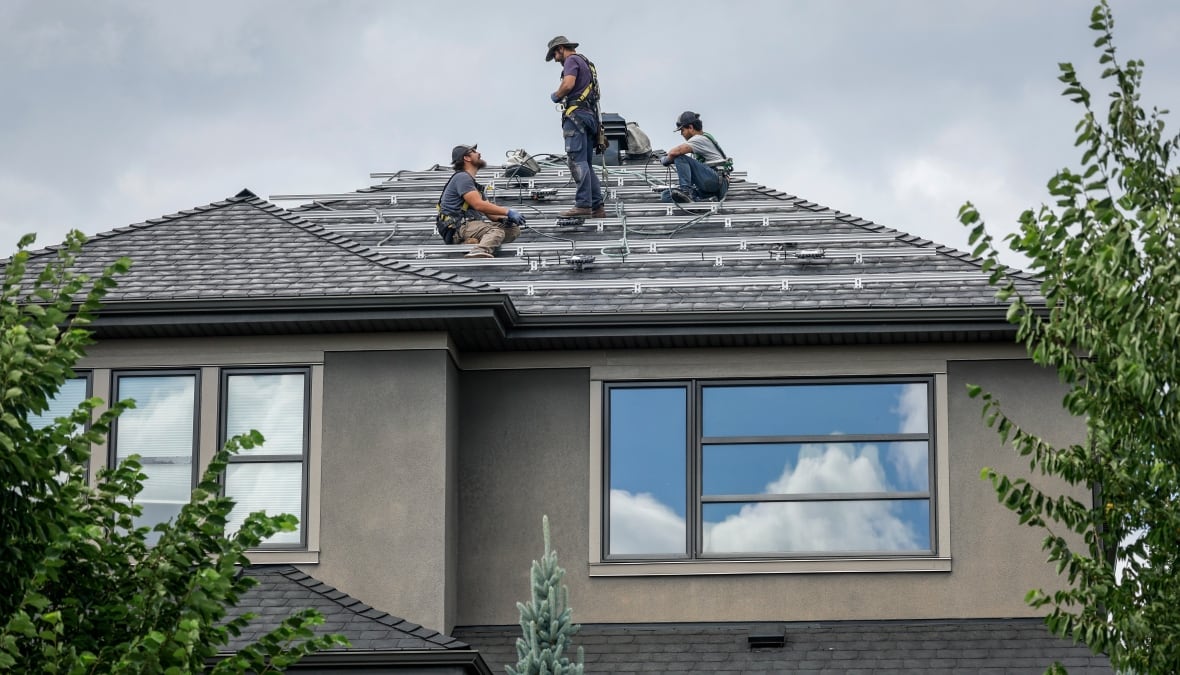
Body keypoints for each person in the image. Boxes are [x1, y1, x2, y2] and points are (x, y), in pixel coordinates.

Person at [546, 35, 605, 219]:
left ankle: (583, 205)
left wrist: (556, 95)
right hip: (589, 118)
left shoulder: (571, 60)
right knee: (586, 163)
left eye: (555, 54)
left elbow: (569, 83)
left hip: (576, 116)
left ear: (561, 48)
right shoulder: (588, 63)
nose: (556, 59)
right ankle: (597, 207)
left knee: (576, 161)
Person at [437, 144, 527, 258]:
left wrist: (505, 219)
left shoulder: (473, 185)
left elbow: (490, 213)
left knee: (513, 230)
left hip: (470, 227)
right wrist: (508, 211)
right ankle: (479, 250)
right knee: (496, 231)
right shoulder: (462, 178)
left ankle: (473, 243)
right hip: (457, 227)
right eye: (474, 151)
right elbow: (478, 205)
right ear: (467, 158)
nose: (479, 154)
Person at [660, 111, 733, 203]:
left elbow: (675, 152)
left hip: (715, 181)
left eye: (682, 130)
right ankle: (702, 202)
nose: (681, 133)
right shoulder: (699, 142)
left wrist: (665, 160)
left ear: (690, 127)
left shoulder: (699, 139)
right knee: (666, 195)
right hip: (709, 187)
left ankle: (686, 192)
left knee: (680, 157)